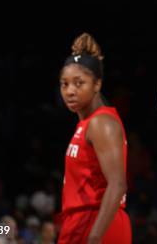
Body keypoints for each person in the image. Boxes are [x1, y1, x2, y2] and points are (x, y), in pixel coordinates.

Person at [56, 33, 131, 243]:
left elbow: (117, 184)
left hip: (96, 223)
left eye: (79, 83)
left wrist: (95, 237)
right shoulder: (88, 124)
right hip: (82, 222)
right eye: (65, 84)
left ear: (97, 84)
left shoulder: (101, 123)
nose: (70, 91)